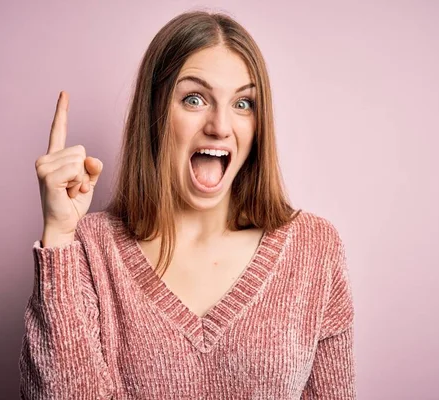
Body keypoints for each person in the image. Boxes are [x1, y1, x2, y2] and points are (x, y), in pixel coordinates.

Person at [19, 10, 356, 400]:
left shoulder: (314, 247)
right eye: (194, 99)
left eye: (243, 103)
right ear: (156, 112)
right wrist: (59, 237)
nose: (221, 125)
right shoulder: (90, 247)